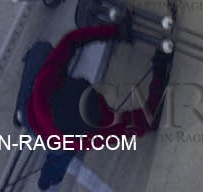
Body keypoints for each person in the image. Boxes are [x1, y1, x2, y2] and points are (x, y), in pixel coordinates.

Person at [25, 22, 172, 188]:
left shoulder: (47, 80)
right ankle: (47, 179)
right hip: (41, 125)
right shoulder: (84, 140)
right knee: (59, 155)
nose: (114, 115)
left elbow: (71, 40)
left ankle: (45, 180)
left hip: (33, 105)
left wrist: (113, 31)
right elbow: (148, 120)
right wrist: (160, 70)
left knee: (41, 51)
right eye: (107, 115)